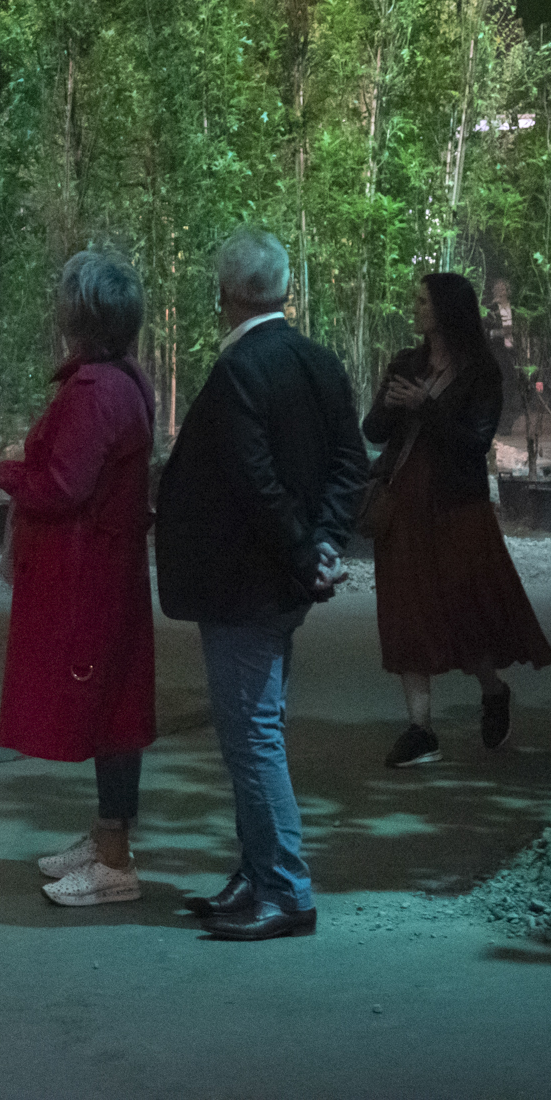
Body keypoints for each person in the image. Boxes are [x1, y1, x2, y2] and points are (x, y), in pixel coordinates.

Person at [154, 228, 368, 942]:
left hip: (246, 581)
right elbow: (348, 462)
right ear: (284, 290)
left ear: (224, 295)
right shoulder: (319, 362)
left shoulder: (239, 371)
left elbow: (252, 482)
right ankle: (257, 872)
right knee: (258, 727)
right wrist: (327, 544)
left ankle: (283, 888)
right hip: (285, 580)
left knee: (251, 736)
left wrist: (306, 550)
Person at [0, 251, 159, 907]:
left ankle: (115, 860)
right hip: (101, 568)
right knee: (112, 704)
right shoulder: (121, 381)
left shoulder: (98, 392)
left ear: (76, 317)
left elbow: (62, 486)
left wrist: (4, 475)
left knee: (107, 708)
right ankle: (107, 835)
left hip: (88, 573)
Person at [363, 273, 551, 768]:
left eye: (423, 301)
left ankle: (493, 689)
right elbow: (375, 431)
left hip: (456, 502)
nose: (415, 307)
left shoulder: (479, 370)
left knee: (465, 610)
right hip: (405, 499)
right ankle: (420, 727)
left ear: (447, 308)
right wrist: (390, 404)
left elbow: (475, 442)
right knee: (407, 610)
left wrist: (425, 407)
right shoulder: (407, 362)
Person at [486, 276, 523, 433]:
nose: (500, 291)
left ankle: (508, 423)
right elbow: (484, 333)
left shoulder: (516, 309)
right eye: (497, 288)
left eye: (503, 288)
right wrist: (499, 332)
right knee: (500, 389)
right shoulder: (490, 310)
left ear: (508, 291)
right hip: (498, 354)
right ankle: (501, 425)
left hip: (514, 353)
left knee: (514, 388)